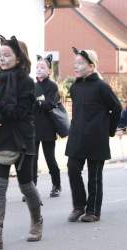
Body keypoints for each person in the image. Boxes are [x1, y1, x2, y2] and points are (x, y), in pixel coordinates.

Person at [0, 35, 43, 250]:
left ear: (18, 58)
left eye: (7, 55)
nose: (3, 59)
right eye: (0, 55)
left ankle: (37, 221)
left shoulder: (27, 82)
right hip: (1, 138)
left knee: (26, 186)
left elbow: (20, 112)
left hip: (22, 139)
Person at [66, 47, 122, 223]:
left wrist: (109, 130)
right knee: (72, 168)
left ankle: (93, 211)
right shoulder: (75, 87)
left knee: (94, 176)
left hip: (96, 137)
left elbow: (117, 108)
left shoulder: (101, 87)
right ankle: (78, 206)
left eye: (80, 63)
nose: (76, 66)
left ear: (91, 66)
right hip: (77, 136)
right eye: (75, 63)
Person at [33, 54, 61, 197]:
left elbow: (50, 103)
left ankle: (56, 185)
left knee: (50, 158)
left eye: (42, 67)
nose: (39, 69)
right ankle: (32, 190)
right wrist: (39, 102)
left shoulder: (52, 86)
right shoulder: (33, 86)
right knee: (32, 160)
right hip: (33, 128)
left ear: (49, 70)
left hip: (48, 127)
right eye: (37, 67)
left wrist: (38, 102)